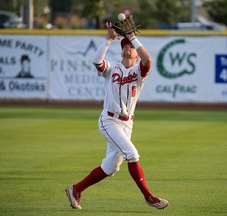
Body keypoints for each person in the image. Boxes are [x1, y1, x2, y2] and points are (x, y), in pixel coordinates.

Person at [65, 22, 168, 210]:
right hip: (109, 120)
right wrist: (107, 40)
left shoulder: (139, 72)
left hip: (127, 124)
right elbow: (97, 62)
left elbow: (148, 59)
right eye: (125, 46)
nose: (127, 47)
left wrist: (132, 37)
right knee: (132, 154)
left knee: (110, 167)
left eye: (130, 46)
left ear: (136, 54)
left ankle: (76, 189)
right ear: (121, 53)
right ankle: (149, 197)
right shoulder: (112, 69)